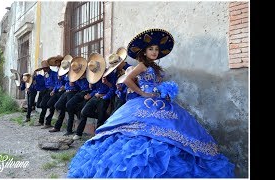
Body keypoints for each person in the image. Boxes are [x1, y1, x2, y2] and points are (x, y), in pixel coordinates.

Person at [67, 29, 235, 178]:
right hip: (143, 103)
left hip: (161, 102)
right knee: (140, 135)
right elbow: (126, 79)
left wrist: (164, 91)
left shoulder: (154, 67)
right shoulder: (141, 65)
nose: (154, 52)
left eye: (156, 49)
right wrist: (142, 93)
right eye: (151, 49)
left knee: (173, 131)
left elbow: (157, 84)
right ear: (144, 52)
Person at [72, 53, 116, 140]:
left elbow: (113, 89)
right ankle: (79, 133)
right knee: (84, 112)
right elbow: (94, 89)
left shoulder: (110, 74)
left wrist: (105, 94)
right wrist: (92, 92)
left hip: (104, 97)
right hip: (96, 96)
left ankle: (98, 135)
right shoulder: (94, 74)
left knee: (100, 115)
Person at [49, 55, 80, 133]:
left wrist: (73, 84)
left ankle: (68, 130)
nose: (57, 64)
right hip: (65, 92)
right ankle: (75, 110)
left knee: (69, 111)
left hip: (72, 93)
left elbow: (79, 85)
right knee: (58, 106)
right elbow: (63, 83)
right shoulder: (62, 72)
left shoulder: (74, 72)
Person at [62, 57, 91, 136]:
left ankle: (78, 133)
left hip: (88, 93)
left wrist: (90, 93)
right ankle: (69, 129)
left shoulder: (89, 74)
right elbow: (78, 88)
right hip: (80, 93)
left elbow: (93, 88)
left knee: (83, 112)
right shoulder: (76, 76)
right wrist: (73, 84)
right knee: (69, 104)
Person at [34, 60, 58, 127]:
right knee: (42, 105)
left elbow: (56, 83)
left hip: (52, 91)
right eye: (43, 68)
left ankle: (47, 122)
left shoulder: (54, 74)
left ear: (48, 68)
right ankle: (41, 121)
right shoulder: (46, 75)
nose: (44, 70)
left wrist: (53, 90)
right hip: (46, 91)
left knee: (49, 105)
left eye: (45, 68)